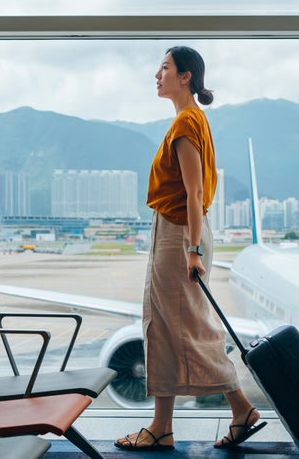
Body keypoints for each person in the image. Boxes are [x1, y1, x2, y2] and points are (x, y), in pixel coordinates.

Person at [115, 46, 265, 451]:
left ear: (185, 76)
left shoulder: (185, 123)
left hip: (180, 234)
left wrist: (193, 250)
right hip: (178, 232)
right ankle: (164, 425)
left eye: (164, 67)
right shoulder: (191, 120)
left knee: (187, 327)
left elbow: (195, 192)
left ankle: (238, 409)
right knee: (164, 327)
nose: (156, 74)